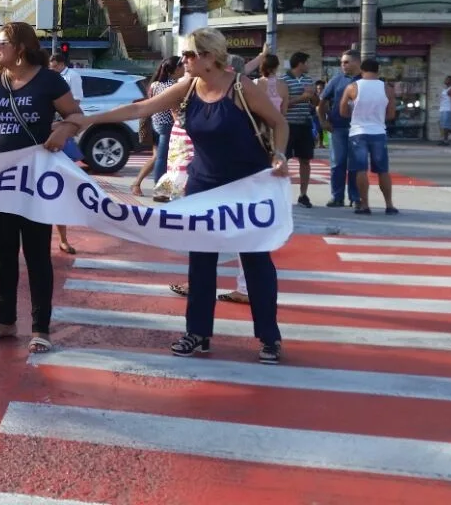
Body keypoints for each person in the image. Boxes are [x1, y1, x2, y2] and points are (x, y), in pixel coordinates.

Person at [67, 27, 288, 364]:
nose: (183, 60)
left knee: (256, 260)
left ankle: (269, 338)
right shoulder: (188, 87)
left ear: (210, 58)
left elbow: (278, 123)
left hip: (247, 187)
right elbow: (139, 110)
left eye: (189, 54)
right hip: (203, 186)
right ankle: (197, 333)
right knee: (201, 263)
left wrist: (281, 155)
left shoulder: (242, 88)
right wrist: (86, 120)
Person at [0, 22, 82, 355]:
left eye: (1, 42)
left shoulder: (49, 81)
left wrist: (63, 129)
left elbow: (75, 115)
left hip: (33, 184)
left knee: (36, 256)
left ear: (20, 47)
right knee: (4, 256)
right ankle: (5, 322)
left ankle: (40, 328)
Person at [341, 58, 398, 215]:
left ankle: (365, 205)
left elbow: (342, 111)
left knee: (360, 169)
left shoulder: (352, 87)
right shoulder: (387, 88)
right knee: (383, 170)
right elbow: (392, 114)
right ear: (378, 70)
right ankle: (389, 205)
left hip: (358, 132)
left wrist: (356, 115)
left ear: (362, 70)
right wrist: (378, 118)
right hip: (378, 132)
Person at [48, 51, 84, 255]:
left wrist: (60, 126)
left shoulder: (71, 78)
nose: (51, 70)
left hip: (58, 136)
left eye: (54, 67)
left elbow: (75, 108)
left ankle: (63, 239)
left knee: (60, 191)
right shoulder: (45, 81)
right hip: (42, 138)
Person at [132, 56, 183, 196]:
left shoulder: (155, 85)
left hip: (155, 123)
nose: (184, 69)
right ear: (175, 70)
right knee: (163, 159)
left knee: (156, 158)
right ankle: (161, 191)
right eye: (182, 66)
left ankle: (136, 184)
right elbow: (174, 108)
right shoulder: (173, 86)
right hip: (167, 125)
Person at [319, 50, 362, 207]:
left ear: (357, 62)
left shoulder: (365, 80)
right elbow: (322, 102)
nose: (343, 65)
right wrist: (323, 121)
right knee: (337, 163)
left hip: (358, 129)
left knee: (356, 164)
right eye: (342, 62)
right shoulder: (336, 80)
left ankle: (356, 197)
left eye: (346, 62)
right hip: (337, 128)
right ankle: (337, 196)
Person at [281, 52, 318, 208]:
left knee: (305, 160)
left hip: (305, 123)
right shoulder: (283, 80)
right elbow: (282, 104)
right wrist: (302, 97)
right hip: (288, 124)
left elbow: (315, 101)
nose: (309, 66)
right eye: (307, 62)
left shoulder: (308, 80)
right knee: (284, 159)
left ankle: (303, 194)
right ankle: (282, 194)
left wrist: (313, 95)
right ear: (300, 63)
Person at [438, 75, 451, 145]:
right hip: (442, 109)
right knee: (443, 126)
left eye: (447, 79)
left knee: (446, 126)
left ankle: (445, 141)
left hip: (448, 109)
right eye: (445, 79)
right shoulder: (445, 89)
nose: (445, 80)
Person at [312, 80, 327, 148]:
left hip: (322, 114)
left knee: (320, 129)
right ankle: (315, 143)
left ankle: (321, 143)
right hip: (314, 115)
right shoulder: (314, 95)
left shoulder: (325, 96)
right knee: (316, 128)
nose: (319, 90)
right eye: (318, 88)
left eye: (321, 88)